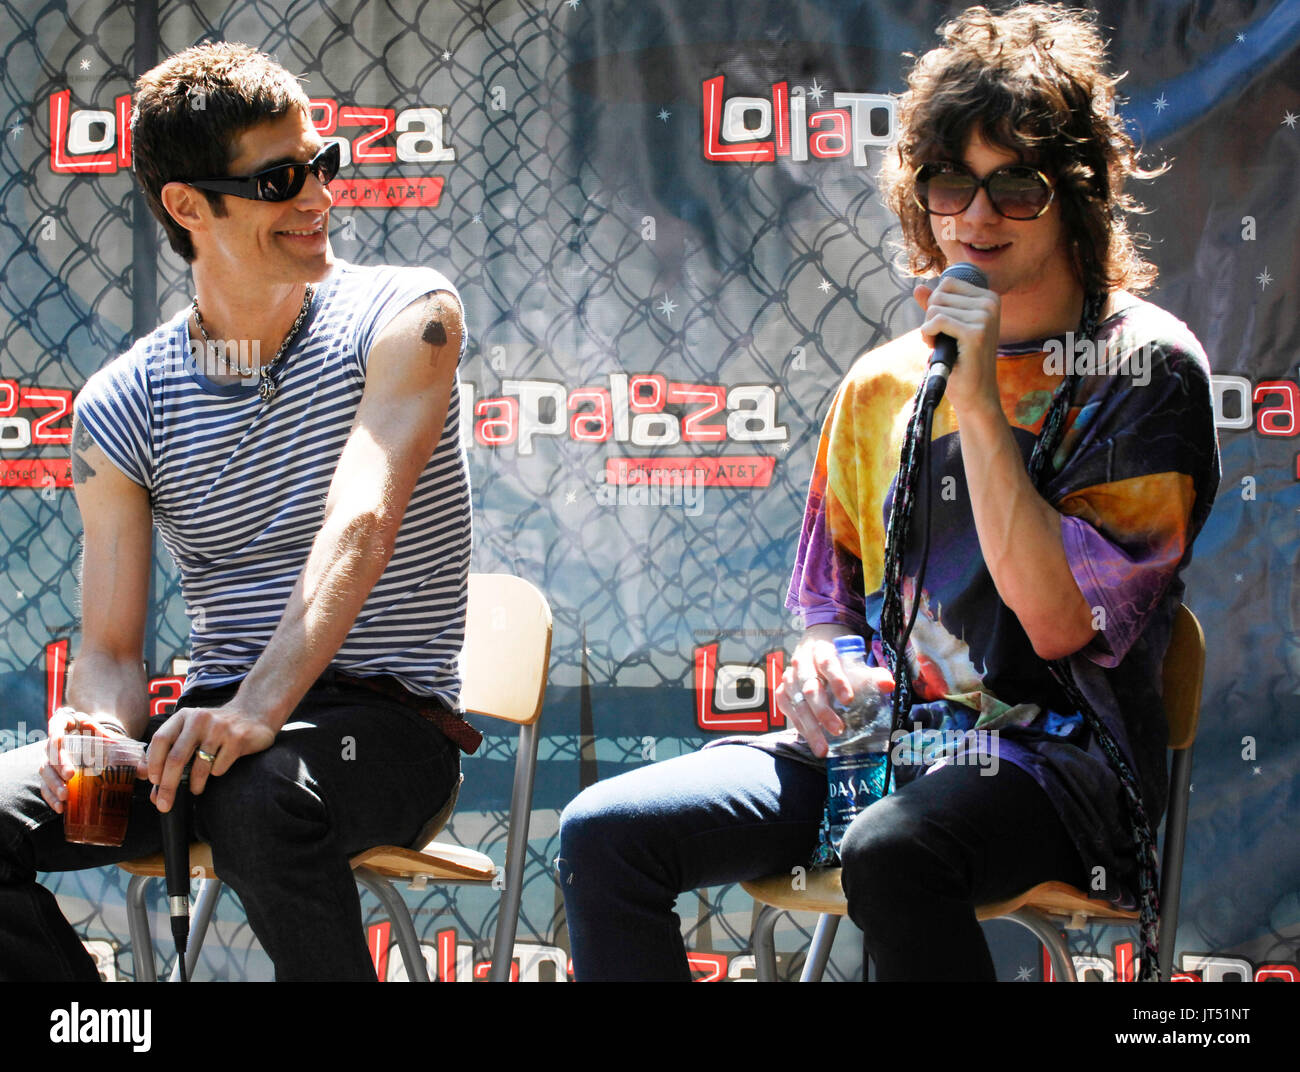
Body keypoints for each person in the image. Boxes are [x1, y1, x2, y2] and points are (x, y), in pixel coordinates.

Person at [558, 3, 1219, 981]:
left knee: (893, 848)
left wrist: (980, 391)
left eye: (1016, 188)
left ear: (1077, 192)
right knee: (605, 830)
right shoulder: (878, 384)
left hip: (1062, 772)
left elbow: (1055, 623)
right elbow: (829, 608)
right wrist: (821, 669)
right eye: (950, 184)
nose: (977, 217)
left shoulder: (1141, 368)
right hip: (879, 754)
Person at [0, 42, 476, 981]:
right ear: (188, 206)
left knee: (260, 795)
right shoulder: (119, 402)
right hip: (208, 736)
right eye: (280, 179)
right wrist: (94, 729)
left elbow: (361, 522)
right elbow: (107, 649)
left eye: (322, 163)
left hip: (384, 727)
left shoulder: (409, 314)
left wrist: (259, 710)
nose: (319, 198)